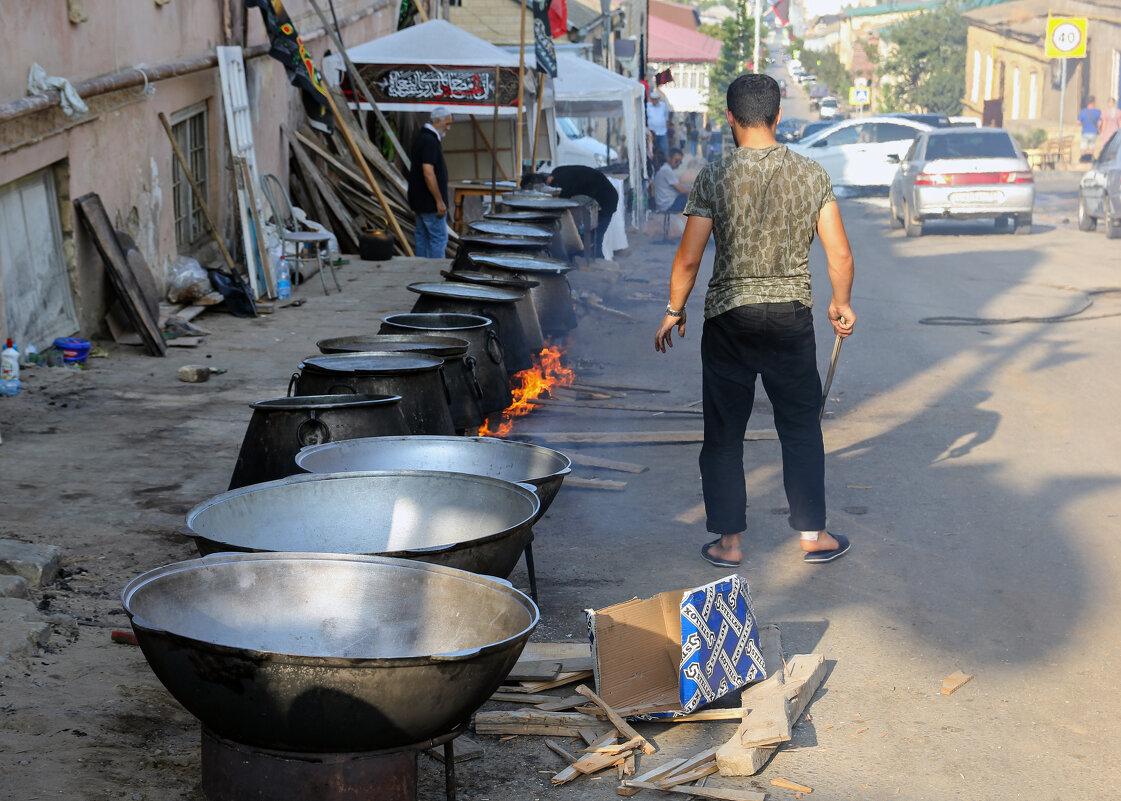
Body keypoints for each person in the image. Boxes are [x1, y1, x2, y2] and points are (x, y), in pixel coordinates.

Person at [653, 73, 857, 568]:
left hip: (730, 319)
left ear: (729, 118)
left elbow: (688, 258)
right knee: (801, 427)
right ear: (779, 115)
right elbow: (840, 254)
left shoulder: (714, 175)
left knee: (724, 434)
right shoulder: (812, 175)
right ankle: (813, 535)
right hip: (791, 319)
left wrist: (674, 309)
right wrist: (841, 303)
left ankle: (730, 543)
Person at [522, 165, 619, 259]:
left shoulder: (560, 182)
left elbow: (562, 202)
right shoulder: (558, 172)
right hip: (604, 195)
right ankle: (590, 258)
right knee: (593, 236)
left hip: (607, 198)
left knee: (597, 235)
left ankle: (597, 261)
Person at [407, 107, 453, 258]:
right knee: (438, 239)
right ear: (437, 121)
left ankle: (422, 273)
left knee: (422, 237)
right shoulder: (429, 141)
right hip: (429, 203)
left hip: (419, 201)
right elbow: (428, 172)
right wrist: (439, 201)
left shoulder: (422, 138)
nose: (448, 128)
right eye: (447, 124)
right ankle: (434, 276)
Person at [653, 148, 691, 212]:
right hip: (668, 205)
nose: (678, 163)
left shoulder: (665, 169)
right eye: (676, 161)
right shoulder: (667, 170)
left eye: (680, 161)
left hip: (665, 204)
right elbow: (681, 190)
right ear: (669, 158)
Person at [1077, 96, 1102, 162]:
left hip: (1085, 132)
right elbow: (1099, 123)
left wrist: (1084, 122)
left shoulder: (1083, 112)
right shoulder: (1098, 112)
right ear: (1093, 103)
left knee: (1083, 145)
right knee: (1092, 145)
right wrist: (1099, 129)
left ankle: (1083, 158)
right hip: (1093, 132)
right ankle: (1090, 158)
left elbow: (1078, 122)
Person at [646, 90, 670, 159]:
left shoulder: (663, 106)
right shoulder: (648, 106)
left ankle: (664, 162)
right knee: (652, 149)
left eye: (656, 99)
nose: (654, 101)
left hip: (662, 132)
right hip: (652, 133)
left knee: (663, 148)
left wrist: (666, 129)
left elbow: (666, 118)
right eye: (653, 99)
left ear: (658, 99)